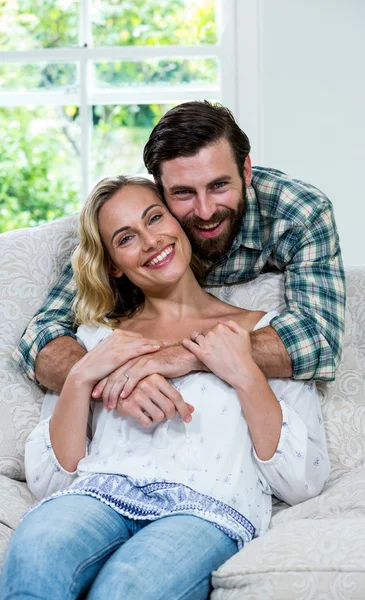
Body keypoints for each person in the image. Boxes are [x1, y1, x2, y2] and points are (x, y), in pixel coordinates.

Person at [1, 176, 330, 600]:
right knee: (36, 556)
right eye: (126, 238)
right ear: (114, 264)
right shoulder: (97, 341)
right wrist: (85, 376)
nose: (151, 241)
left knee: (125, 589)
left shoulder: (262, 334)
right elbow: (51, 479)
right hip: (97, 495)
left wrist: (245, 372)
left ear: (178, 222)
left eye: (155, 218)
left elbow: (303, 480)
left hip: (206, 510)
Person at [14, 101, 346, 424]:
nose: (204, 211)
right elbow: (42, 334)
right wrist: (117, 381)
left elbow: (318, 338)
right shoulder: (142, 221)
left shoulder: (299, 212)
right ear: (159, 189)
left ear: (245, 171)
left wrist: (184, 355)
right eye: (184, 193)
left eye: (218, 185)